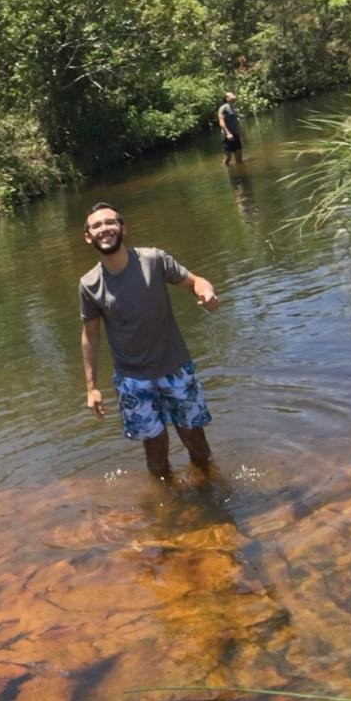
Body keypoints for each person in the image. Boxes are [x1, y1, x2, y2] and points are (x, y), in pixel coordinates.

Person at [79, 202, 220, 478]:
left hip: (176, 369)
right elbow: (90, 336)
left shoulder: (153, 260)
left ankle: (210, 493)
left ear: (123, 227)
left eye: (110, 222)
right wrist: (91, 387)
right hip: (133, 381)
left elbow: (194, 281)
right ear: (88, 236)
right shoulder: (89, 284)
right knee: (156, 455)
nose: (104, 228)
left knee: (198, 446)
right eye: (96, 225)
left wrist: (207, 292)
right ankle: (170, 513)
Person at [218, 91, 243, 165]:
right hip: (227, 136)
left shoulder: (234, 108)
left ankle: (240, 172)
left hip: (235, 134)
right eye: (232, 95)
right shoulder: (223, 108)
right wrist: (228, 133)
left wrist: (243, 134)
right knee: (228, 157)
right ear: (226, 98)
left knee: (239, 156)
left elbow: (237, 122)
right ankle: (226, 169)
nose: (234, 95)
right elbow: (221, 121)